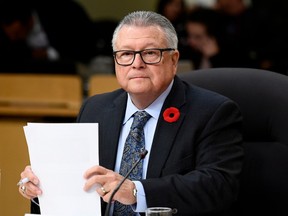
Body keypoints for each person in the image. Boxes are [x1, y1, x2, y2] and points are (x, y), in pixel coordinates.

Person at [18, 11, 243, 215]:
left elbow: (219, 185)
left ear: (174, 60)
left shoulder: (212, 111)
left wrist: (137, 191)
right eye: (126, 54)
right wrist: (43, 187)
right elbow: (81, 186)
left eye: (150, 53)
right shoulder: (95, 109)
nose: (137, 64)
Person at [0, 0, 97, 74]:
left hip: (72, 64)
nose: (12, 38)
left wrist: (48, 54)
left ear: (29, 21)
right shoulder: (8, 36)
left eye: (17, 33)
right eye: (10, 35)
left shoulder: (61, 12)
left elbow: (84, 46)